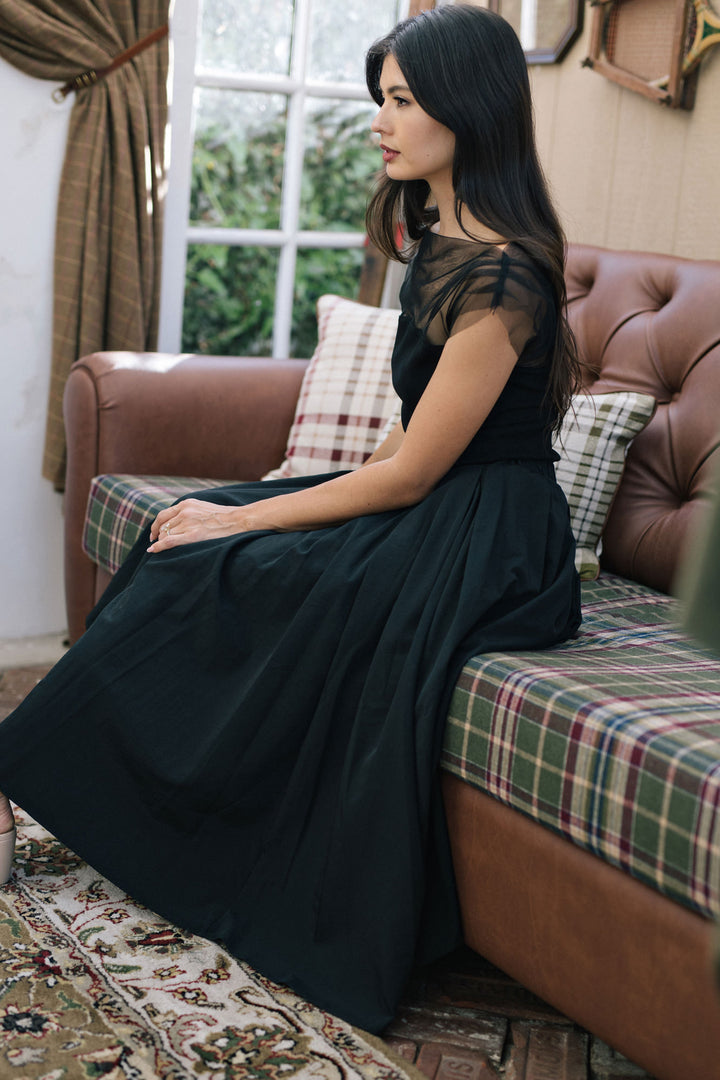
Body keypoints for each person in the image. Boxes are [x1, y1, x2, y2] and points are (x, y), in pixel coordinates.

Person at [0, 5, 582, 1033]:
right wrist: (258, 505)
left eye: (402, 100)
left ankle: (166, 824)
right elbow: (403, 453)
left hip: (490, 537)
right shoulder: (442, 244)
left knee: (224, 559)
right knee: (181, 529)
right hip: (437, 497)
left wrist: (252, 526)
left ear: (467, 104)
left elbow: (416, 478)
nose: (381, 122)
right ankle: (99, 794)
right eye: (382, 100)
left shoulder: (502, 276)